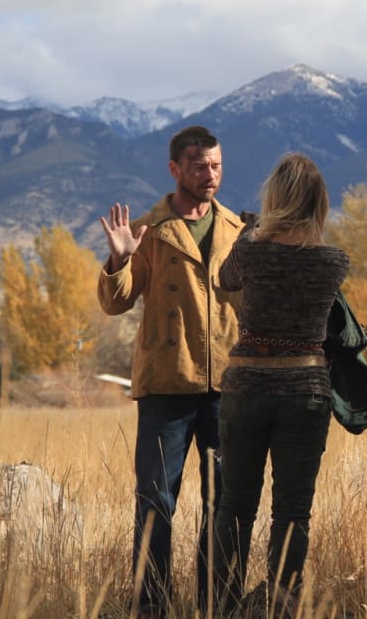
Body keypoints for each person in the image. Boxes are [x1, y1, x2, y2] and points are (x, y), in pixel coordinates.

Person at [97, 125, 243, 617]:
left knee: (225, 505)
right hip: (166, 388)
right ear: (175, 169)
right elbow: (114, 304)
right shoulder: (148, 230)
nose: (211, 174)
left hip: (227, 386)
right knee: (156, 504)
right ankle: (151, 606)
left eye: (217, 165)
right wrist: (119, 259)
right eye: (200, 165)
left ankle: (218, 603)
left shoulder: (238, 232)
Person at [213, 153, 349, 617]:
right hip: (306, 389)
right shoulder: (334, 261)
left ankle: (224, 607)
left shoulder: (249, 249)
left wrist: (250, 230)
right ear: (319, 203)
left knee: (234, 506)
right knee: (292, 510)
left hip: (246, 387)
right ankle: (282, 606)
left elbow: (224, 278)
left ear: (275, 197)